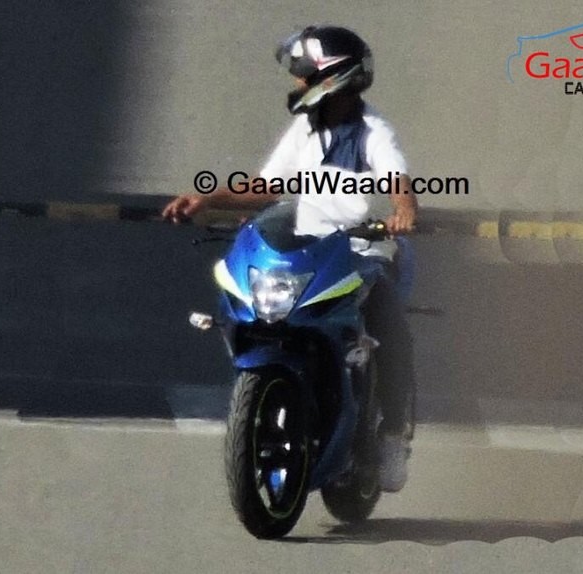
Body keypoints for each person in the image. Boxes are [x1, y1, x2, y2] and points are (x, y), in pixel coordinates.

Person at [162, 25, 417, 492]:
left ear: (330, 80)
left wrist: (403, 212)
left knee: (388, 322)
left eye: (302, 76)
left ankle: (394, 436)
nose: (296, 84)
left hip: (359, 250)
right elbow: (266, 186)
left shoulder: (373, 132)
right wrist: (207, 199)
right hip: (307, 248)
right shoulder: (305, 129)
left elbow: (397, 180)